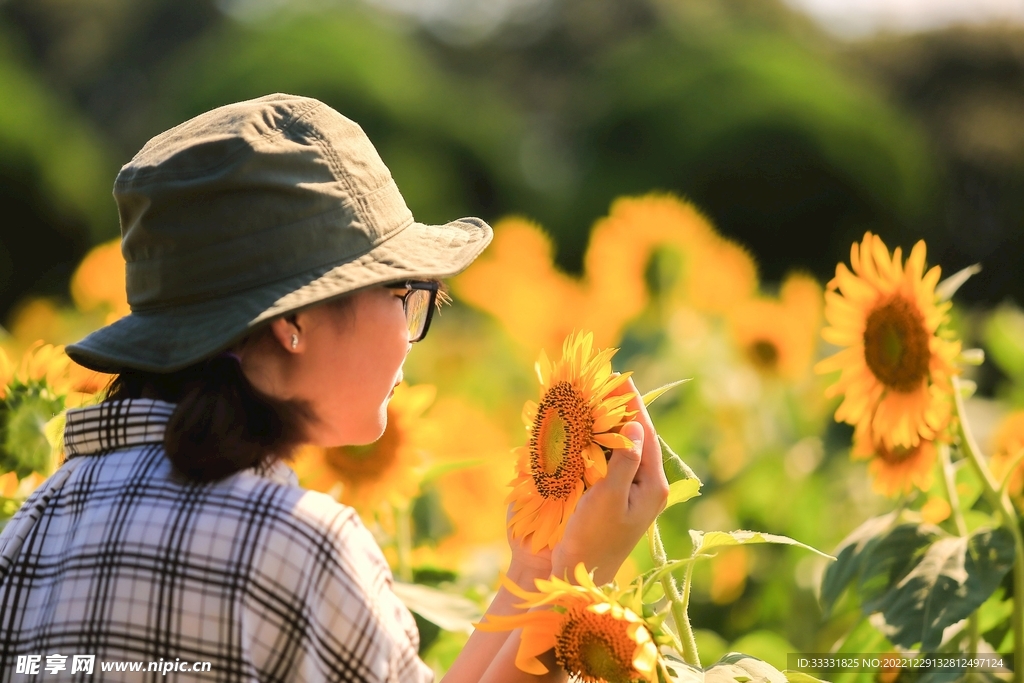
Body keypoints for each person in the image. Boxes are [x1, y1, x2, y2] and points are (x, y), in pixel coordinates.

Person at [0, 94, 668, 682]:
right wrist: (585, 580)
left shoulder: (32, 528)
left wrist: (539, 570)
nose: (411, 335)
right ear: (294, 321)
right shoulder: (296, 543)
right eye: (405, 293)